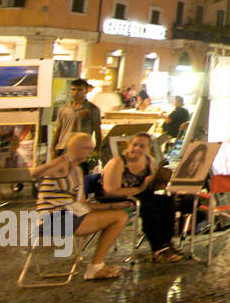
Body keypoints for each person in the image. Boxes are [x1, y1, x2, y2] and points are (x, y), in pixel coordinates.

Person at [32, 133, 132, 280]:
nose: (90, 153)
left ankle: (97, 265)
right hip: (54, 219)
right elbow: (35, 174)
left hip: (69, 214)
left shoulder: (77, 170)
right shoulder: (61, 165)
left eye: (91, 149)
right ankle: (96, 267)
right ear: (75, 148)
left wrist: (114, 205)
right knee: (120, 217)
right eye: (87, 149)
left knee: (120, 215)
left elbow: (84, 204)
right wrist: (57, 161)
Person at [101, 132, 184, 262]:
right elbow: (110, 191)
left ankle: (166, 242)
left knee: (167, 202)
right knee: (148, 208)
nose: (137, 149)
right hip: (122, 196)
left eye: (142, 146)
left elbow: (149, 185)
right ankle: (157, 249)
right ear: (129, 145)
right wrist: (140, 188)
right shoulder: (117, 163)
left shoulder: (148, 160)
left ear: (147, 148)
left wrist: (158, 182)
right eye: (134, 145)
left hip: (142, 194)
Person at [52, 79, 103, 158]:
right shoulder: (64, 109)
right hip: (63, 148)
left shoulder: (92, 109)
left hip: (81, 150)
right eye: (73, 89)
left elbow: (97, 130)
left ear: (86, 91)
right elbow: (58, 129)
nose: (76, 92)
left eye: (79, 90)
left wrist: (97, 149)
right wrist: (52, 148)